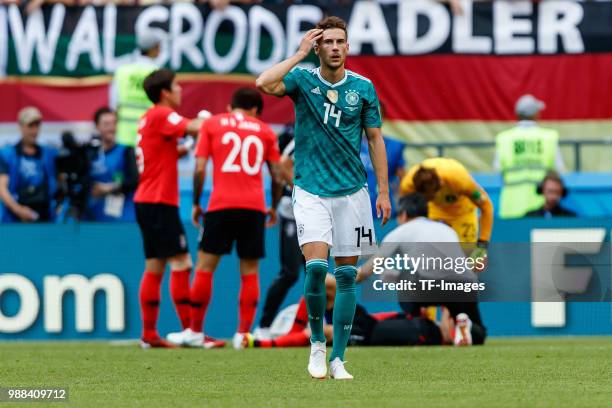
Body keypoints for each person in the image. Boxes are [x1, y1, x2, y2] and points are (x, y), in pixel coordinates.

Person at [256, 16, 391, 380]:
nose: (334, 47)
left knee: (346, 276)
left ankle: (339, 358)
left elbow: (375, 139)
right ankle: (317, 344)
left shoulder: (363, 87)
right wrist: (298, 53)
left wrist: (383, 190)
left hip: (352, 193)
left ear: (347, 47)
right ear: (317, 48)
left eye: (339, 42)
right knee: (316, 269)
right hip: (311, 190)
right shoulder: (302, 78)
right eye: (327, 42)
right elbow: (263, 83)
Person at [165, 88, 281, 349]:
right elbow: (276, 174)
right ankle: (242, 334)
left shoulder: (212, 124)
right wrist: (272, 206)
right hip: (253, 207)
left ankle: (195, 330)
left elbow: (199, 168)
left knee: (205, 268)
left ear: (231, 106)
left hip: (220, 205)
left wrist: (195, 203)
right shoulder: (264, 130)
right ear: (255, 110)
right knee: (250, 272)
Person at [357, 193, 487, 346]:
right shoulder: (447, 230)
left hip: (429, 288)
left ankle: (416, 323)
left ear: (404, 214)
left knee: (403, 276)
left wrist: (344, 279)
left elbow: (369, 269)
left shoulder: (399, 233)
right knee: (478, 333)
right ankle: (465, 328)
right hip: (466, 285)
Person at [134, 69, 202, 348]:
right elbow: (194, 127)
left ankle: (150, 334)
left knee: (155, 266)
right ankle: (189, 330)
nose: (180, 90)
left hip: (147, 200)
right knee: (181, 263)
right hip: (159, 201)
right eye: (176, 85)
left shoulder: (148, 119)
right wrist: (213, 121)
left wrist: (184, 148)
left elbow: (162, 151)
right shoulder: (162, 114)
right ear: (164, 92)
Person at [242, 274, 452, 349]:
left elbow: (374, 323)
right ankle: (282, 337)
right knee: (318, 282)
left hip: (361, 331)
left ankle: (264, 343)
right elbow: (375, 319)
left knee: (323, 332)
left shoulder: (430, 332)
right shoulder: (420, 324)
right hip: (359, 321)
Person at [254, 123, 305, 340]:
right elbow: (283, 165)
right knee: (290, 272)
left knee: (317, 272)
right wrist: (305, 191)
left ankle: (324, 326)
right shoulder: (305, 134)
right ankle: (263, 326)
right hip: (293, 209)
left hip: (316, 212)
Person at [400, 157, 493, 267]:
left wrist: (482, 246)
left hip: (462, 212)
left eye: (431, 196)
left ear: (441, 183)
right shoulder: (408, 185)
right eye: (427, 198)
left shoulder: (459, 179)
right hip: (434, 211)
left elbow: (486, 206)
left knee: (467, 263)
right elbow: (404, 215)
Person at [495, 94, 565, 219]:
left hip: (511, 206)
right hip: (541, 207)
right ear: (536, 114)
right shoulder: (549, 137)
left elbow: (498, 169)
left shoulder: (504, 138)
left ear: (517, 115)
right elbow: (559, 170)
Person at [0, 107, 57, 223]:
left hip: (45, 217)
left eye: (37, 126)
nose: (35, 130)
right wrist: (18, 210)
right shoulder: (8, 153)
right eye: (30, 126)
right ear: (21, 127)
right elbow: (2, 188)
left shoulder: (47, 153)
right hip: (15, 218)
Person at [86, 107, 138, 222]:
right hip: (93, 217)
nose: (111, 128)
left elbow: (135, 180)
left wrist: (109, 188)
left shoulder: (126, 151)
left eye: (114, 123)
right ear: (97, 126)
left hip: (123, 216)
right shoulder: (88, 154)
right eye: (106, 124)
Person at [110, 32, 161, 147]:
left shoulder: (122, 71)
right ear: (154, 48)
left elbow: (113, 105)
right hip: (149, 136)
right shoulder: (157, 74)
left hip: (124, 137)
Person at [360, 102, 406, 219]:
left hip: (384, 208)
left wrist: (403, 208)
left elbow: (403, 181)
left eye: (376, 114)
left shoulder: (395, 146)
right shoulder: (350, 145)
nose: (372, 118)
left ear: (383, 117)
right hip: (356, 207)